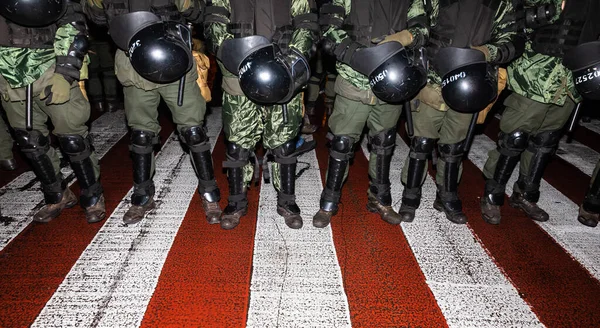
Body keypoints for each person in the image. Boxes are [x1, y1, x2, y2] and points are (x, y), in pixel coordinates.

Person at [84, 0, 222, 225]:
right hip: (133, 62)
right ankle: (143, 196)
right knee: (141, 134)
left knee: (194, 132)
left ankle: (209, 194)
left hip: (174, 57)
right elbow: (98, 19)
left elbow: (198, 12)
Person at [397, 0, 522, 225]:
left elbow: (512, 39)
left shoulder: (501, 3)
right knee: (421, 143)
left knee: (453, 147)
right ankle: (411, 195)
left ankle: (446, 195)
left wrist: (486, 51)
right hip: (433, 80)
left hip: (471, 83)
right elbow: (418, 26)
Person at [312, 0, 428, 228]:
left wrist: (403, 38)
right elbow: (329, 25)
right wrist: (357, 53)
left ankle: (380, 198)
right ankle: (329, 201)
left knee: (384, 142)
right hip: (355, 77)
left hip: (393, 78)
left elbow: (422, 28)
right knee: (342, 143)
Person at [481, 0, 599, 224]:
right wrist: (554, 8)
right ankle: (492, 195)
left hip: (571, 80)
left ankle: (525, 194)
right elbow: (514, 15)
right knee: (514, 138)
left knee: (545, 142)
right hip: (535, 75)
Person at [204, 0, 319, 230]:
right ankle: (236, 203)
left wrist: (290, 60)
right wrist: (233, 55)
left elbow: (305, 23)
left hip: (283, 72)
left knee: (284, 144)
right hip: (238, 73)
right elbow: (215, 22)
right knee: (238, 145)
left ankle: (287, 201)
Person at [0, 0, 106, 223]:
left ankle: (92, 195)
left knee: (72, 138)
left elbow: (74, 25)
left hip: (50, 64)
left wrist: (65, 72)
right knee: (29, 140)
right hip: (7, 70)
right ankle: (57, 194)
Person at [87, 23, 121, 113]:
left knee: (93, 74)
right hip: (104, 37)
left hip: (89, 38)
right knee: (108, 72)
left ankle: (99, 104)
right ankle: (111, 103)